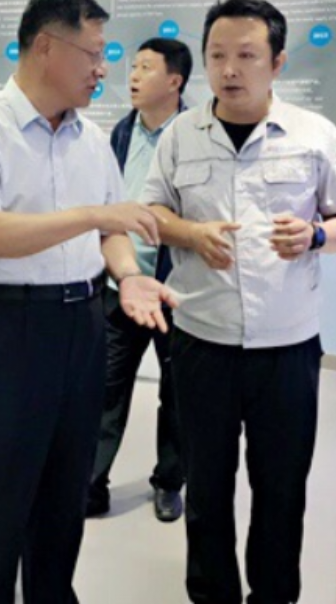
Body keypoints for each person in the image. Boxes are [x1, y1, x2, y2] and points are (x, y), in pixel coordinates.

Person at [0, 0, 177, 604]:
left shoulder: (90, 139)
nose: (103, 69)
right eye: (94, 53)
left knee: (64, 498)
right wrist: (92, 215)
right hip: (2, 330)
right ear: (45, 46)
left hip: (80, 326)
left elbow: (111, 232)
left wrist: (128, 275)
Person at [142, 0, 336, 604]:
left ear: (277, 62)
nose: (229, 69)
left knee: (282, 489)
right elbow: (152, 212)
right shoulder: (181, 135)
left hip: (288, 348)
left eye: (246, 55)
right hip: (202, 342)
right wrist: (191, 233)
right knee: (206, 490)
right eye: (217, 55)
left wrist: (315, 235)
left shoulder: (313, 134)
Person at [86, 37, 191, 523]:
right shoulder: (121, 131)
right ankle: (91, 484)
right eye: (133, 67)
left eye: (146, 68)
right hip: (120, 284)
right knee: (104, 389)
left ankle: (169, 483)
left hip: (174, 290)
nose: (132, 76)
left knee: (178, 395)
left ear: (175, 81)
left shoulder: (194, 135)